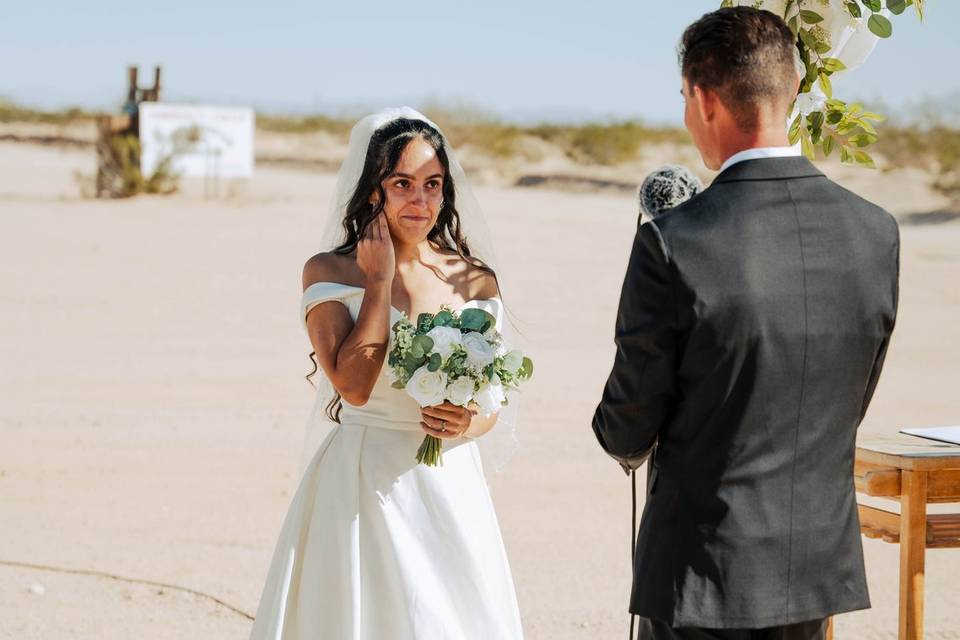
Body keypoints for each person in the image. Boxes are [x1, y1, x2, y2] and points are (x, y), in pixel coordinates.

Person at [592, 7, 899, 639]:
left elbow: (630, 421)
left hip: (700, 572)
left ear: (704, 99)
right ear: (789, 90)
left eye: (682, 98)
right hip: (814, 565)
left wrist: (616, 433)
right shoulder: (875, 233)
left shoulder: (675, 243)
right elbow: (851, 398)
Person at [248, 108, 523, 639]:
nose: (420, 201)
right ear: (374, 190)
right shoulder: (329, 272)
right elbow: (352, 386)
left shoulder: (474, 280)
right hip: (361, 484)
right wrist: (379, 282)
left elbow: (493, 405)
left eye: (432, 184)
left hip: (448, 485)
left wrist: (466, 424)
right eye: (403, 184)